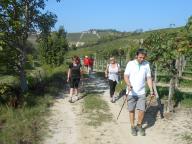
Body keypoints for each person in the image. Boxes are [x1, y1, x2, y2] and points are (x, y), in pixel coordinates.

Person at [124, 48, 154, 136]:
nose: (142, 59)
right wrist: (128, 84)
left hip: (141, 92)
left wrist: (151, 90)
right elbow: (126, 76)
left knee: (142, 110)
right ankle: (132, 126)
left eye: (143, 57)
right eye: (140, 57)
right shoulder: (130, 64)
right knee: (131, 110)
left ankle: (139, 125)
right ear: (136, 56)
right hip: (131, 92)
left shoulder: (147, 64)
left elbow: (148, 78)